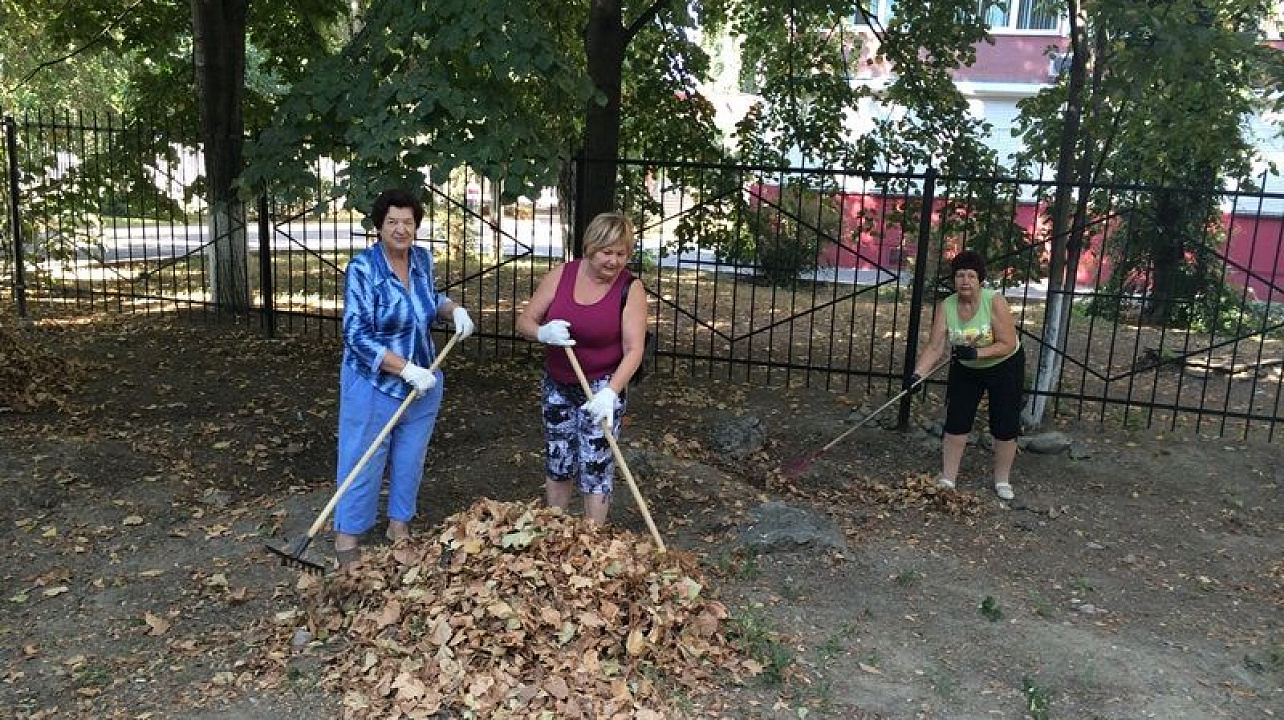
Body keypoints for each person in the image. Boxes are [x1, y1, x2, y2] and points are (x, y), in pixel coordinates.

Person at [333, 188, 475, 566]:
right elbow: (355, 335)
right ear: (379, 226)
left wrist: (453, 310)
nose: (400, 229)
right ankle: (349, 535)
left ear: (417, 226)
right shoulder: (363, 269)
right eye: (392, 221)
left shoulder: (422, 260)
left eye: (408, 222)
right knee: (363, 457)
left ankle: (399, 526)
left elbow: (429, 298)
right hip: (375, 382)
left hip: (425, 378)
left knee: (411, 456)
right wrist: (403, 368)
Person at [516, 212, 647, 524]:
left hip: (602, 385)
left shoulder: (631, 288)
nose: (614, 261)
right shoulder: (562, 275)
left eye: (621, 254)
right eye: (607, 252)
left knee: (595, 464)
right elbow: (524, 321)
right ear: (591, 247)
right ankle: (556, 530)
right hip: (558, 384)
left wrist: (611, 394)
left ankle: (592, 540)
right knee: (558, 459)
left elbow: (634, 350)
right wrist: (543, 332)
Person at [906, 250, 1024, 501]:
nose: (965, 281)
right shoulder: (946, 306)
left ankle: (1002, 480)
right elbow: (935, 347)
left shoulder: (994, 302)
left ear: (980, 279)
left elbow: (1007, 342)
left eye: (971, 275)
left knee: (1004, 423)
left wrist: (977, 353)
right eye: (960, 275)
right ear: (954, 279)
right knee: (957, 419)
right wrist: (917, 375)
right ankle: (948, 478)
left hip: (1004, 364)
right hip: (967, 366)